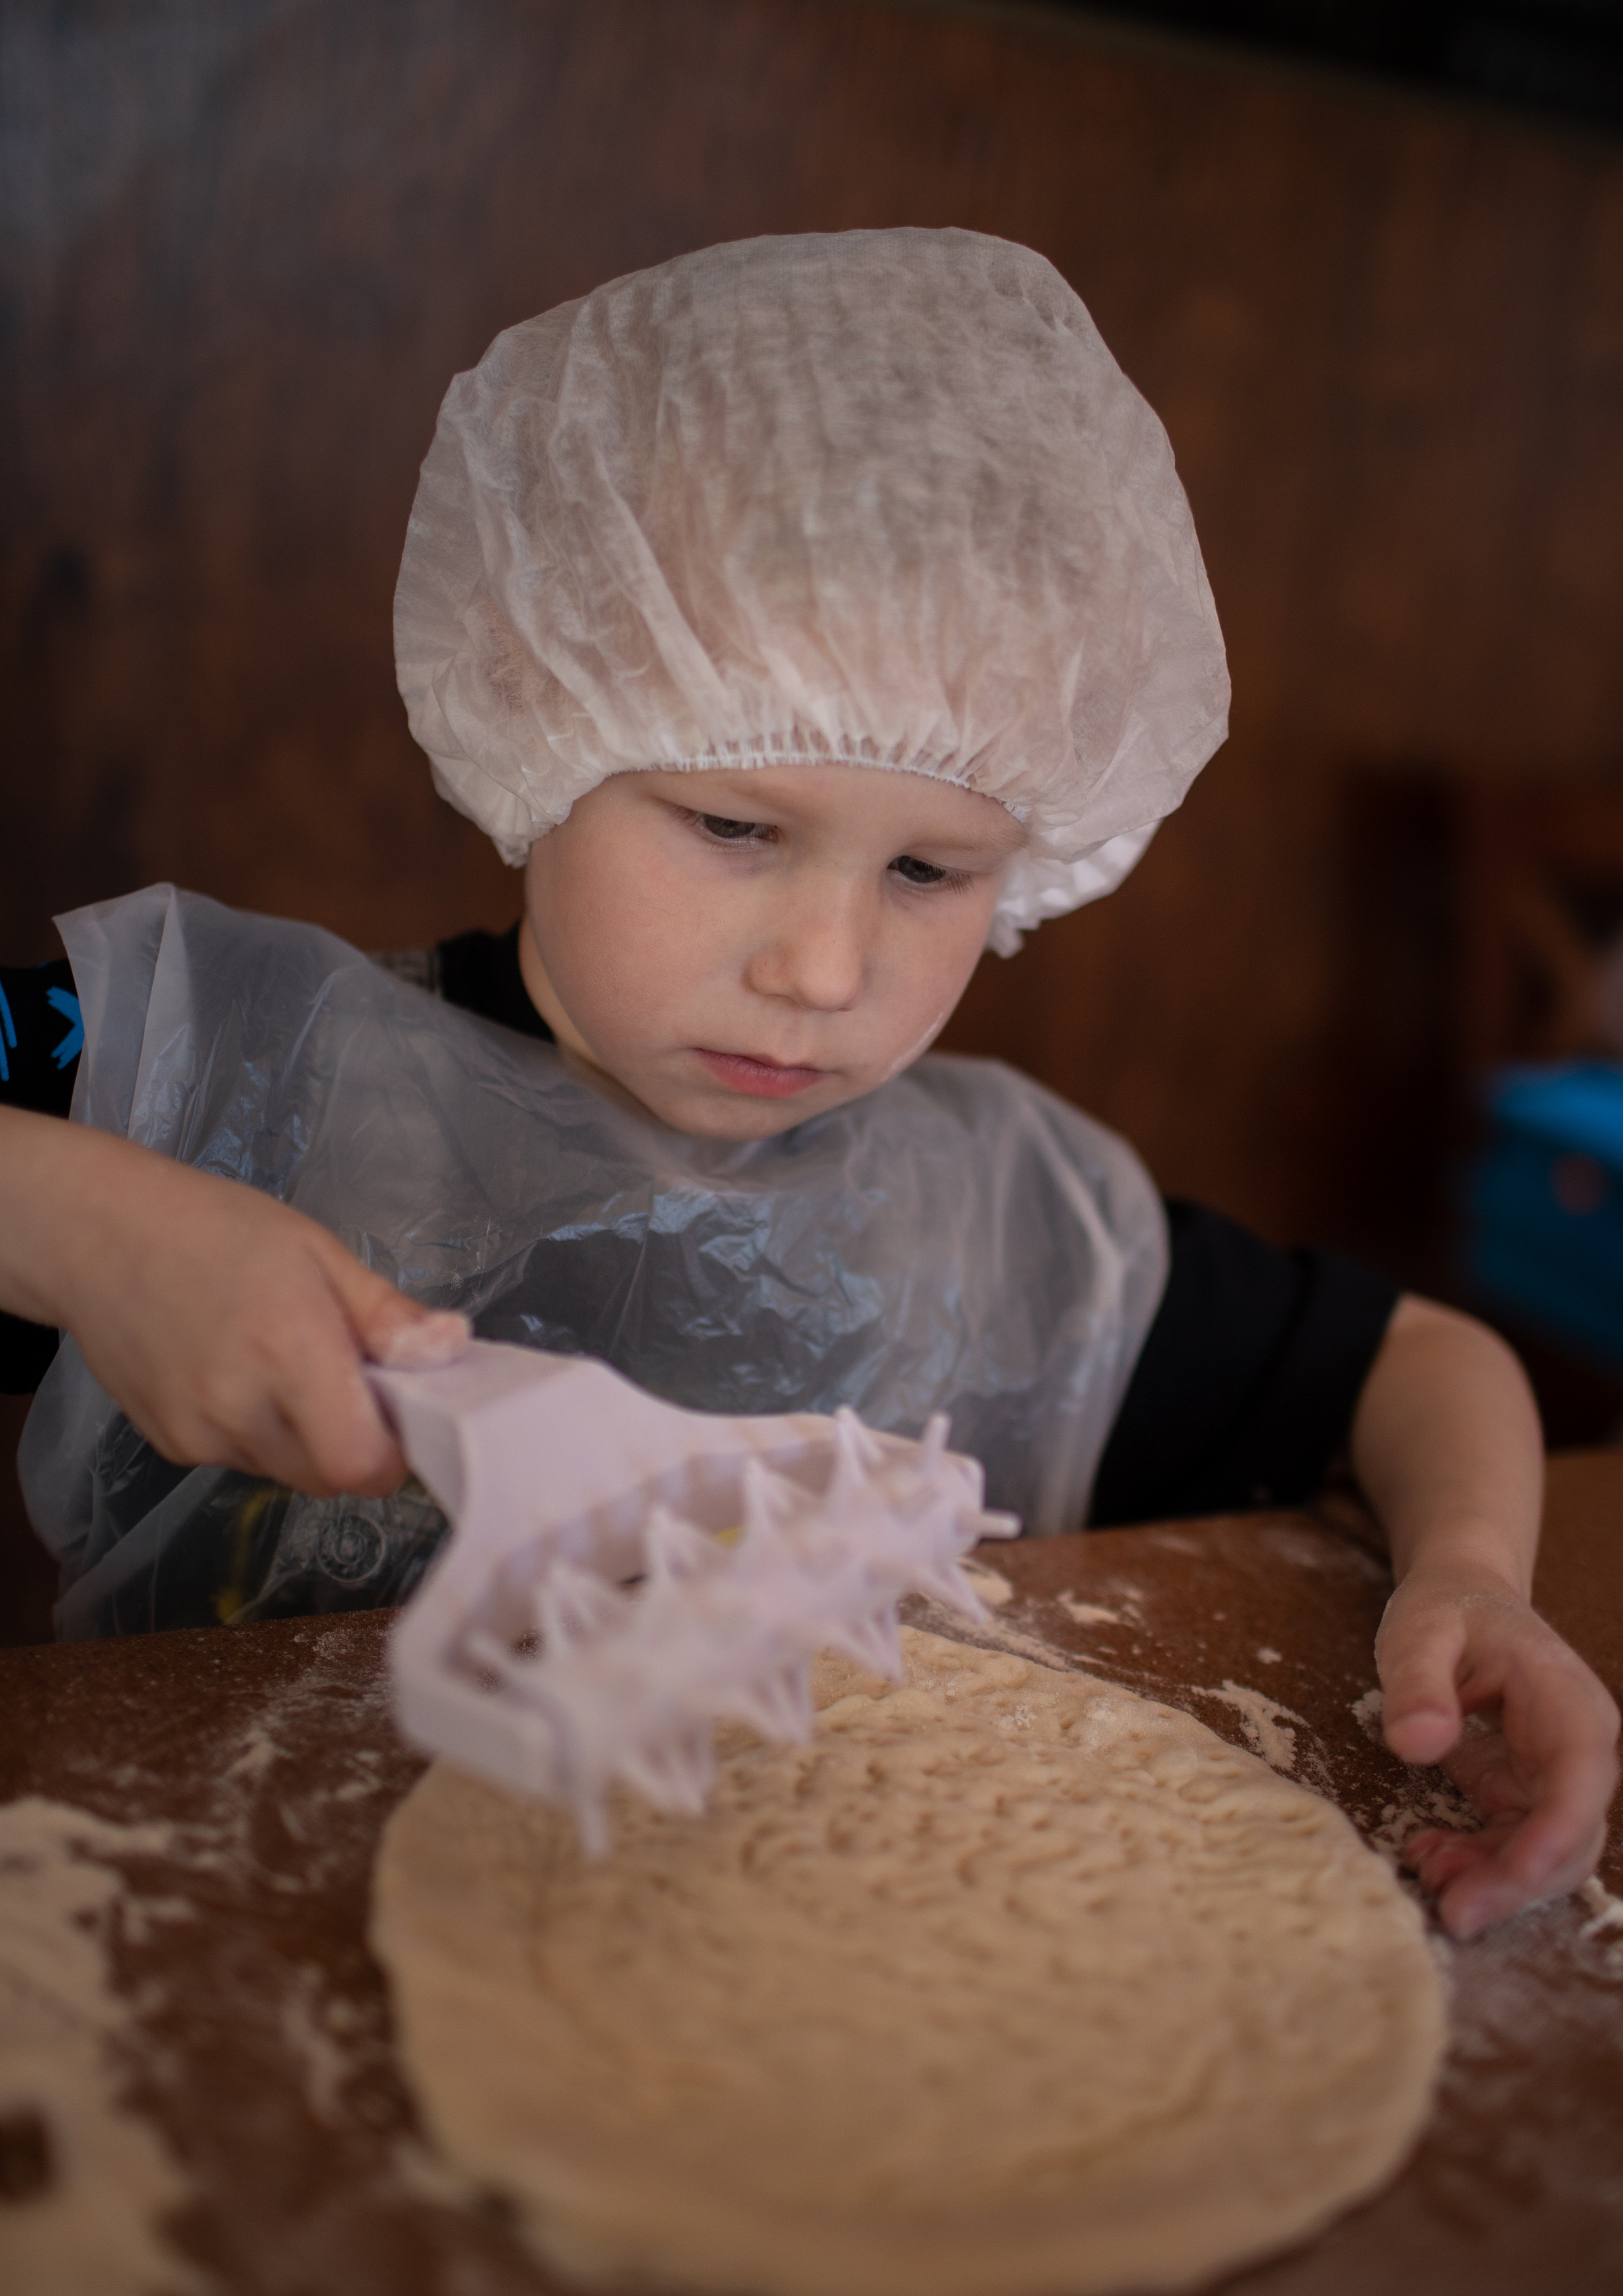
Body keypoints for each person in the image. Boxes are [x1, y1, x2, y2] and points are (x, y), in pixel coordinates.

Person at [0, 230, 1613, 1940]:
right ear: (541, 716)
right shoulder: (225, 1078)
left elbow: (1424, 1361)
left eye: (931, 873)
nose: (824, 971)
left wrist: (1469, 1576)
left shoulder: (1007, 1228)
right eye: (734, 830)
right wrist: (89, 1222)